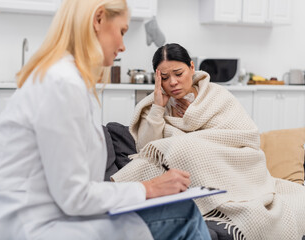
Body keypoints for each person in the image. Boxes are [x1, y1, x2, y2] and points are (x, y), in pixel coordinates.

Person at [0, 1, 211, 240]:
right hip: (32, 226)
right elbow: (75, 196)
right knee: (185, 214)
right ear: (98, 19)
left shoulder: (64, 79)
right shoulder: (62, 84)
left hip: (46, 214)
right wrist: (149, 188)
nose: (123, 46)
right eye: (122, 32)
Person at [111, 43, 305, 240]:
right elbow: (147, 148)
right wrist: (158, 108)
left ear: (192, 68)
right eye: (165, 77)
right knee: (183, 147)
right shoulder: (154, 106)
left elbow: (246, 135)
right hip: (186, 173)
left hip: (231, 167)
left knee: (185, 146)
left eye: (179, 73)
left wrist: (194, 118)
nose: (173, 82)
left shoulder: (216, 95)